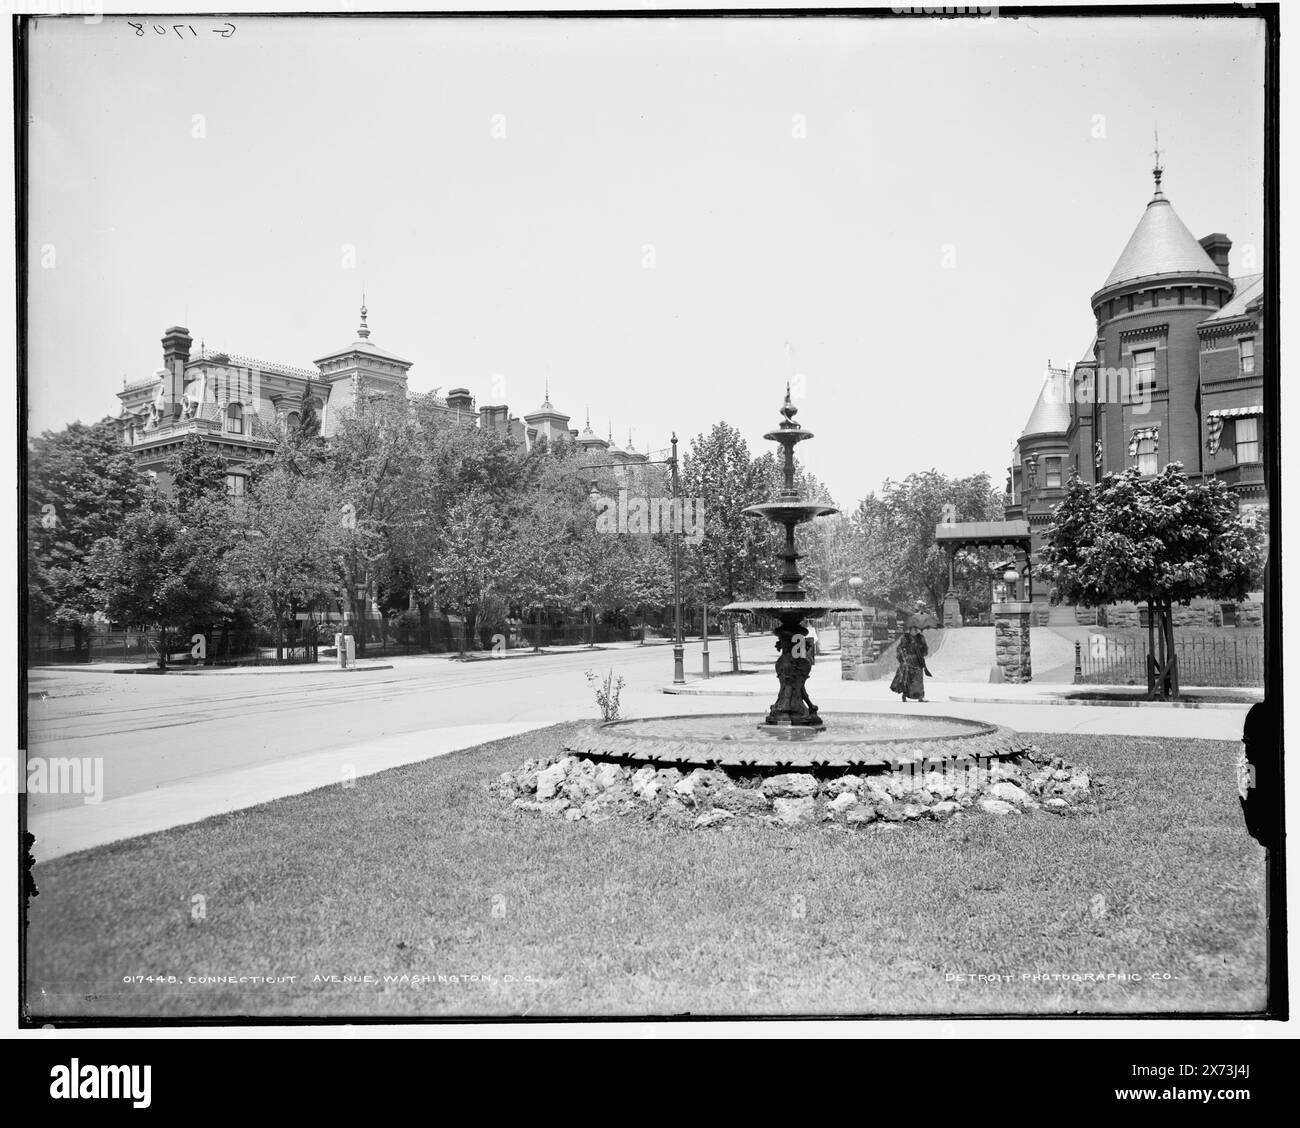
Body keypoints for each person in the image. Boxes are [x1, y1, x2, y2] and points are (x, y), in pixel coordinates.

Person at [889, 625, 927, 702]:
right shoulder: (905, 638)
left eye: (916, 629)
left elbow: (925, 650)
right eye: (913, 629)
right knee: (907, 679)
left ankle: (920, 696)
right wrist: (904, 657)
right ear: (910, 630)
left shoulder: (921, 638)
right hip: (908, 661)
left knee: (918, 679)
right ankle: (905, 695)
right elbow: (900, 648)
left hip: (918, 661)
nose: (915, 631)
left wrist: (921, 647)